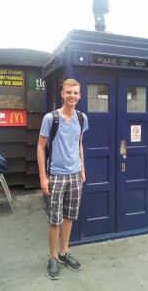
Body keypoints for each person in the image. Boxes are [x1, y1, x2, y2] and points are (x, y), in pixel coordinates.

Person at [37, 78, 89, 280]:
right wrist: (43, 176)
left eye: (76, 93)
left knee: (69, 217)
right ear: (62, 94)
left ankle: (64, 253)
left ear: (80, 95)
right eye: (69, 92)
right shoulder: (51, 118)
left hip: (75, 175)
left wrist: (83, 169)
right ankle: (52, 257)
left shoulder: (82, 118)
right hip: (56, 176)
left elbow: (80, 144)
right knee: (54, 220)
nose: (72, 96)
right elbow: (40, 147)